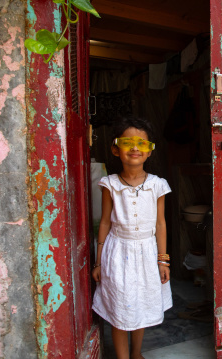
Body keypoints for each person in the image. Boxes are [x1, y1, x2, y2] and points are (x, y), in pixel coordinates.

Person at [91, 117, 172, 359]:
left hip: (147, 253)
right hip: (117, 253)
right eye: (127, 142)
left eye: (141, 144)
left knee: (140, 306)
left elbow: (160, 224)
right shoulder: (110, 184)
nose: (135, 148)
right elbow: (105, 221)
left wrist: (163, 260)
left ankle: (136, 353)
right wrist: (98, 261)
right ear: (116, 149)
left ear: (149, 151)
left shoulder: (158, 185)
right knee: (120, 308)